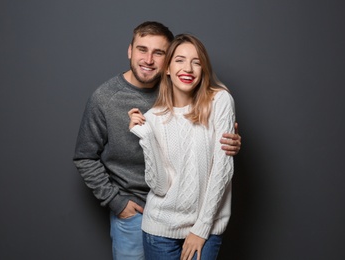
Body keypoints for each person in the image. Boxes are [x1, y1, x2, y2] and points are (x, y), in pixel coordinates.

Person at [73, 21, 241, 260]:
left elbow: (209, 144)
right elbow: (84, 156)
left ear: (167, 61)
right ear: (130, 50)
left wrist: (229, 142)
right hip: (136, 209)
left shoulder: (193, 90)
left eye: (159, 53)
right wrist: (116, 201)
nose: (149, 59)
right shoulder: (105, 98)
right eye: (142, 49)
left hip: (194, 210)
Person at [128, 33, 235, 260]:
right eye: (179, 60)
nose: (188, 68)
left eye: (196, 62)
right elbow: (159, 186)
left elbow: (222, 170)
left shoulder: (220, 101)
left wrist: (201, 229)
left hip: (206, 226)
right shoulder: (153, 118)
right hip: (159, 229)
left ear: (203, 69)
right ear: (167, 68)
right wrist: (145, 136)